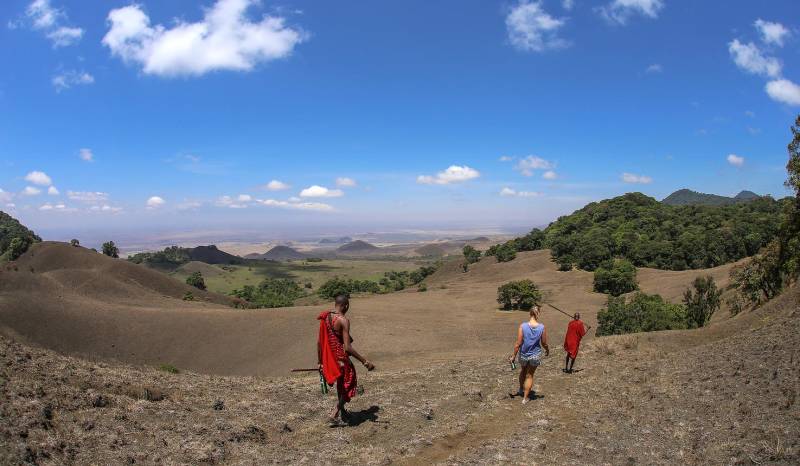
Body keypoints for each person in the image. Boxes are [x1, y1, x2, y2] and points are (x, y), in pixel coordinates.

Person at [317, 295, 375, 426]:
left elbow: (319, 343)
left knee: (341, 385)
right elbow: (347, 348)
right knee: (350, 382)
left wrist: (320, 361)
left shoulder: (326, 317)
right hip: (341, 359)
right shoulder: (343, 320)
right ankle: (335, 412)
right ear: (346, 306)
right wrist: (364, 361)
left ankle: (343, 413)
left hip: (329, 358)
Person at [508, 305, 549, 404]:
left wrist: (513, 356)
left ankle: (521, 389)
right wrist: (547, 349)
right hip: (535, 355)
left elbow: (518, 343)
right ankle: (525, 398)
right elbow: (544, 343)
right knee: (530, 375)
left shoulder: (523, 326)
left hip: (523, 354)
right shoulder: (542, 327)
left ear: (530, 313)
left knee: (523, 370)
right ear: (538, 314)